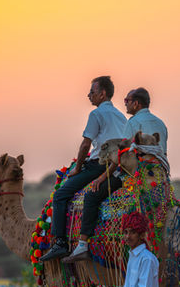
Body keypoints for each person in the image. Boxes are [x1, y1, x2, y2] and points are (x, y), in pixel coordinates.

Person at [63, 87, 168, 262]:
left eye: (127, 101)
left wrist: (102, 177)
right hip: (159, 178)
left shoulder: (133, 123)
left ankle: (83, 244)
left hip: (135, 177)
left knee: (91, 197)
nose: (125, 104)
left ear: (136, 103)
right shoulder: (161, 124)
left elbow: (121, 156)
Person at [41, 76, 126, 261]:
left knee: (60, 195)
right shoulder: (121, 115)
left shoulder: (96, 115)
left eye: (92, 92)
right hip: (119, 166)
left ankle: (60, 243)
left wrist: (77, 168)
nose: (89, 95)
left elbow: (85, 145)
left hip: (99, 165)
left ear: (102, 93)